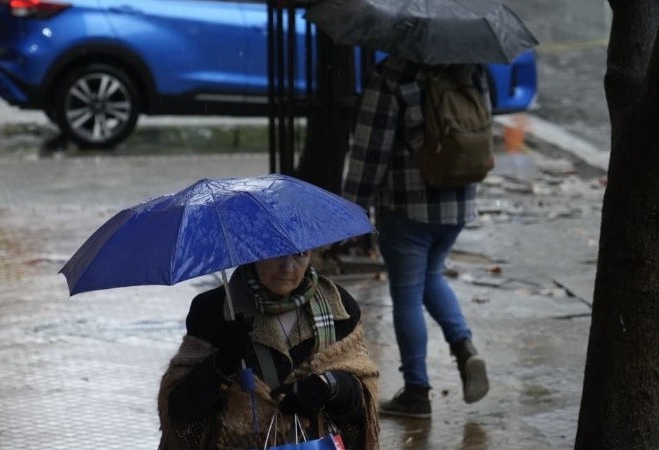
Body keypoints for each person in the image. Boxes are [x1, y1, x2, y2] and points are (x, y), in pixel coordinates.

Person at [342, 55, 490, 419]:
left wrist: (352, 210)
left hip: (407, 206)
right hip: (458, 201)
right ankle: (463, 347)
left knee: (407, 294)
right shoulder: (468, 66)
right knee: (431, 276)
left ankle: (416, 390)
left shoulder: (393, 74)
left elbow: (370, 150)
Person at [157, 250, 380, 449]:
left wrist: (329, 385)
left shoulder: (339, 307)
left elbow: (361, 406)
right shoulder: (214, 310)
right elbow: (181, 410)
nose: (288, 267)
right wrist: (221, 365)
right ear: (253, 251)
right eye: (277, 253)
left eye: (300, 254)